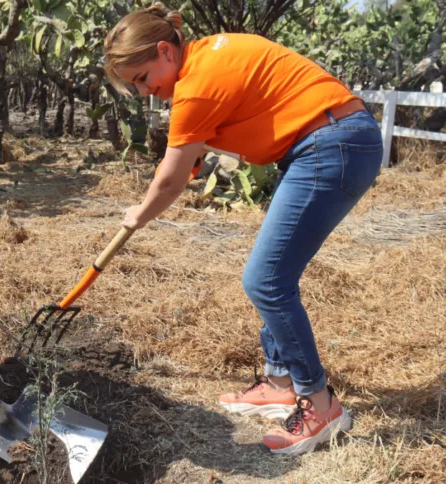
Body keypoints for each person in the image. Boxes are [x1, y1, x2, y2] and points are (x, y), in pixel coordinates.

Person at [104, 5, 382, 455]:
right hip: (330, 139)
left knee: (266, 280)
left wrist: (140, 212)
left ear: (164, 51)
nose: (143, 91)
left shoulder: (196, 84)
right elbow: (206, 141)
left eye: (141, 77)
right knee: (274, 274)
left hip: (331, 143)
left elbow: (171, 180)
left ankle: (320, 403)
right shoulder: (206, 59)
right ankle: (278, 382)